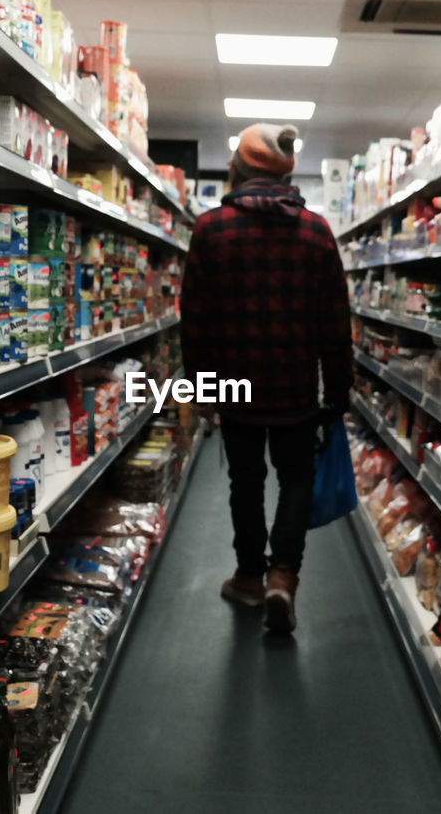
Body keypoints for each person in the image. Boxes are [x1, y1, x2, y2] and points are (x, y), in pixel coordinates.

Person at [180, 122, 353, 634]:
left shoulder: (210, 229)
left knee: (246, 480)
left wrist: (202, 388)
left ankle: (249, 577)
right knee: (297, 479)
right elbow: (335, 324)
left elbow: (195, 322)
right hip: (297, 391)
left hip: (236, 389)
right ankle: (283, 576)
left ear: (238, 168)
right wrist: (337, 393)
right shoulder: (317, 232)